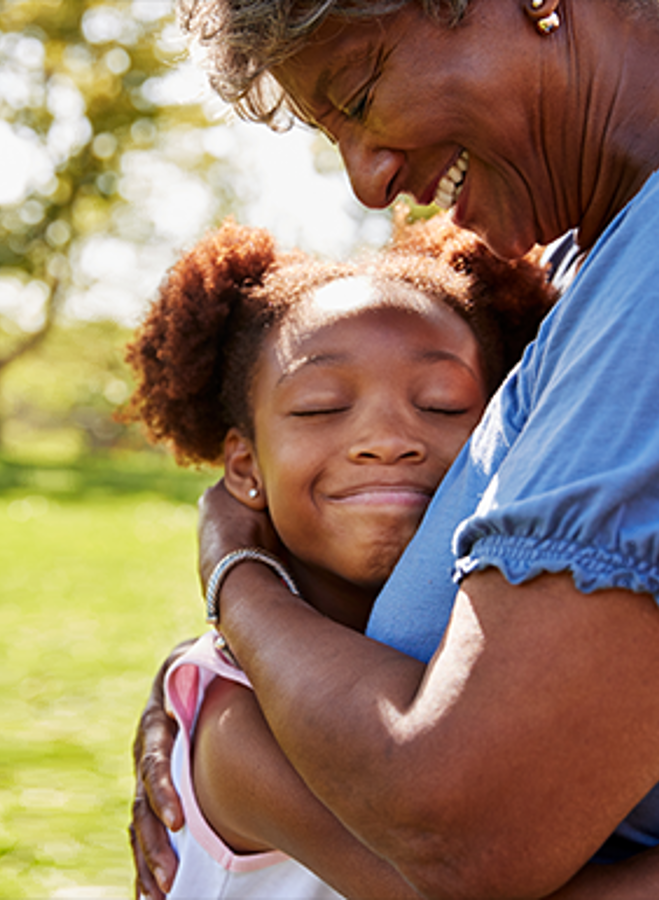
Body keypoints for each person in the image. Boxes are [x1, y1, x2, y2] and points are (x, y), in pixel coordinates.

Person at [131, 0, 659, 897]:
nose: (367, 181)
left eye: (358, 95)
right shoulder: (595, 260)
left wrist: (234, 573)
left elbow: (461, 830)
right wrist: (216, 684)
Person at [124, 214, 553, 898]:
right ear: (244, 464)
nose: (387, 439)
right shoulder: (238, 721)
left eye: (443, 405)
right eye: (322, 407)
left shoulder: (492, 641)